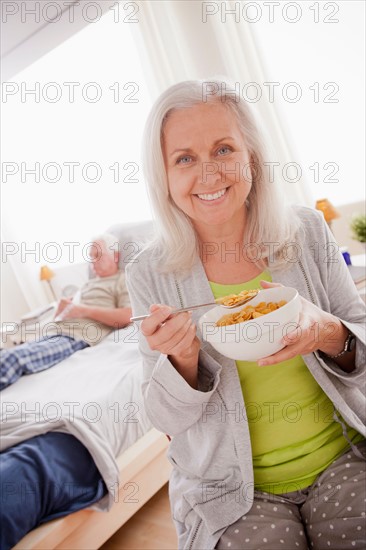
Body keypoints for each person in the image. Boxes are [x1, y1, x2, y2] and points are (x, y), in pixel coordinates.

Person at [126, 79, 366, 550]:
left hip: (344, 456)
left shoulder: (306, 230)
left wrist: (327, 332)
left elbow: (359, 344)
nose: (209, 174)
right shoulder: (148, 274)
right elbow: (162, 416)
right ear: (164, 176)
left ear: (250, 155)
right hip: (230, 491)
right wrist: (181, 361)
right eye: (185, 158)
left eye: (223, 149)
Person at [0, 233, 132, 390]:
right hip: (54, 333)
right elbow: (59, 319)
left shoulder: (122, 280)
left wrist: (82, 310)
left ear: (115, 256)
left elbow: (128, 316)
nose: (92, 262)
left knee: (12, 359)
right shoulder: (87, 285)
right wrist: (62, 310)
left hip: (76, 337)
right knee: (5, 354)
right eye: (91, 257)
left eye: (98, 256)